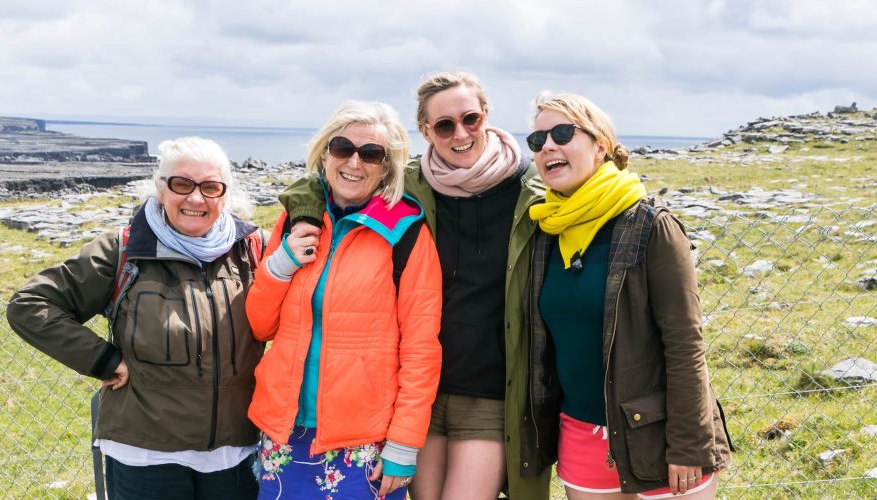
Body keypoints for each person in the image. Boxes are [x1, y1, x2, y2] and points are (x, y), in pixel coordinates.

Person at [277, 72, 556, 500]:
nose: (460, 133)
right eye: (444, 125)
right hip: (418, 391)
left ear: (486, 116)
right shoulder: (412, 186)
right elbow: (323, 180)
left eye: (470, 119)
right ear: (426, 131)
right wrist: (303, 217)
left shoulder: (529, 186)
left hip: (493, 388)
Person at [6, 136, 265, 499]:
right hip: (145, 457)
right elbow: (30, 305)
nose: (195, 198)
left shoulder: (253, 251)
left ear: (225, 195)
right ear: (160, 189)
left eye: (210, 187)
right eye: (181, 184)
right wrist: (101, 359)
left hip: (234, 455)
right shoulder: (123, 249)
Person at [525, 91, 732, 499]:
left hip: (657, 436)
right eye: (537, 140)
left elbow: (686, 343)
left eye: (563, 133)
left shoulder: (652, 225)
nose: (548, 145)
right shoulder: (546, 231)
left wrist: (689, 446)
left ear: (599, 146)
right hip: (580, 435)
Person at [245, 100, 443, 500]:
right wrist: (281, 263)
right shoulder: (295, 220)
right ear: (325, 153)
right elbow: (260, 325)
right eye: (342, 148)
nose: (354, 162)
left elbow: (421, 350)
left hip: (364, 440)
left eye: (371, 154)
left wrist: (404, 444)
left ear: (387, 167)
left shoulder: (406, 234)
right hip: (286, 431)